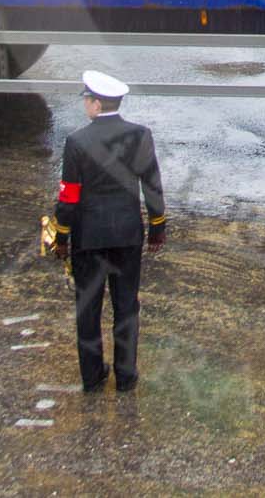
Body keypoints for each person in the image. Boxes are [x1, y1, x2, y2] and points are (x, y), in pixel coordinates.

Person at [50, 70, 165, 395]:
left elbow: (69, 196)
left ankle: (92, 376)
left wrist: (61, 236)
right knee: (126, 305)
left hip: (88, 239)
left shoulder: (77, 142)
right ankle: (126, 375)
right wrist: (157, 227)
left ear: (97, 104)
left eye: (87, 100)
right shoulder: (140, 135)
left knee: (89, 309)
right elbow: (152, 185)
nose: (85, 104)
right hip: (127, 235)